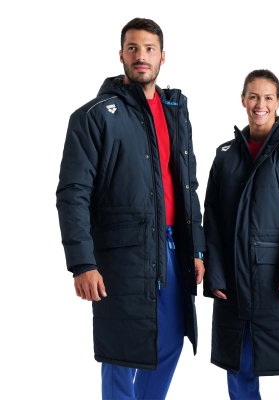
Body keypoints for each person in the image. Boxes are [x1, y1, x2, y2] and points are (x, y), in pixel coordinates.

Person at [56, 18, 206, 400]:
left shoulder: (175, 112)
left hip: (172, 244)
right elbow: (73, 193)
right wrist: (82, 263)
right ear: (121, 54)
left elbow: (187, 186)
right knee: (121, 352)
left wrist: (198, 248)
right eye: (133, 48)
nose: (142, 56)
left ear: (162, 57)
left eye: (149, 49)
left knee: (170, 341)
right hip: (121, 252)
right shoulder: (93, 116)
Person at [203, 69, 279, 399]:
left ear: (278, 101)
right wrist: (215, 275)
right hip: (234, 284)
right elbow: (212, 221)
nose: (261, 104)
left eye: (268, 97)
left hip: (278, 281)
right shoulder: (226, 155)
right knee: (239, 369)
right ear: (243, 100)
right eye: (254, 97)